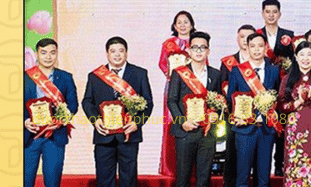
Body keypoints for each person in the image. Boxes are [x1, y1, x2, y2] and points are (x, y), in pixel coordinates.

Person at [82, 36, 154, 187]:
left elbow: (148, 103)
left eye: (121, 51)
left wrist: (137, 123)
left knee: (128, 179)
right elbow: (87, 101)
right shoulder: (95, 76)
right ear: (107, 53)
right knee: (104, 179)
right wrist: (95, 120)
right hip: (104, 135)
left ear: (126, 53)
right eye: (113, 51)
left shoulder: (139, 73)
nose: (117, 55)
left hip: (129, 135)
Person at [167, 31, 222, 187]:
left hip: (207, 133)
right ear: (189, 50)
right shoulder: (179, 73)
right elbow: (171, 101)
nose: (198, 51)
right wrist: (182, 122)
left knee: (204, 179)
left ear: (208, 51)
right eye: (195, 47)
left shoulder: (215, 74)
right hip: (185, 131)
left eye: (202, 47)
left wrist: (216, 114)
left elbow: (219, 101)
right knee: (182, 178)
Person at [227, 32, 281, 187]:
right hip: (244, 129)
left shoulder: (274, 70)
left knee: (263, 178)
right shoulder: (237, 71)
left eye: (260, 46)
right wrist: (236, 117)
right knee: (242, 177)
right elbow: (230, 98)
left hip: (266, 130)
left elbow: (278, 97)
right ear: (247, 48)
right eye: (252, 46)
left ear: (266, 47)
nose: (256, 50)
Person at [24, 38, 78, 187]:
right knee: (25, 181)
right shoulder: (24, 77)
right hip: (29, 137)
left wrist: (60, 120)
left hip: (55, 137)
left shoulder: (66, 77)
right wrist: (25, 121)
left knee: (52, 182)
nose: (48, 57)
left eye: (52, 53)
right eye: (44, 53)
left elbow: (73, 105)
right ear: (36, 54)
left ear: (57, 54)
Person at [277, 40, 311, 187]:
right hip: (295, 127)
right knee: (295, 162)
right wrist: (298, 102)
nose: (305, 58)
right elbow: (281, 105)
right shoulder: (287, 78)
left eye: (309, 55)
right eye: (302, 55)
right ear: (296, 57)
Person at [258, 0, 294, 176]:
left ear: (280, 14)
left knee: (281, 124)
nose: (271, 15)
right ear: (262, 13)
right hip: (261, 85)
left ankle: (279, 163)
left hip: (283, 86)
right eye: (267, 12)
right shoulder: (257, 35)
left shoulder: (288, 35)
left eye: (274, 12)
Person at [157, 10, 195, 177]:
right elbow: (162, 64)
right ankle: (170, 168)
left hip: (192, 90)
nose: (182, 25)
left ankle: (192, 169)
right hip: (172, 88)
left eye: (186, 22)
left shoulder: (196, 43)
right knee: (171, 124)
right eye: (179, 22)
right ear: (174, 25)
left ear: (191, 25)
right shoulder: (168, 44)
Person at [219, 24, 255, 187]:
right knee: (232, 153)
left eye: (249, 37)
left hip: (257, 118)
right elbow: (222, 87)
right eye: (242, 36)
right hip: (234, 117)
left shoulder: (264, 62)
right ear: (237, 39)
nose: (245, 40)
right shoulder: (228, 63)